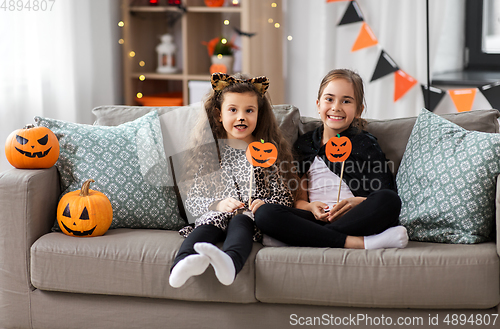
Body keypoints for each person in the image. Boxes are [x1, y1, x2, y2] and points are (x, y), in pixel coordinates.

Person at [254, 69, 408, 249]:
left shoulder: (365, 144)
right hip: (314, 219)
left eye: (346, 101)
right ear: (318, 105)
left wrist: (355, 203)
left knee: (389, 200)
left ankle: (304, 237)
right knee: (265, 213)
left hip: (354, 218)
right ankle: (357, 243)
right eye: (329, 99)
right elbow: (300, 201)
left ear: (359, 110)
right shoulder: (305, 145)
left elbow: (383, 193)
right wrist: (310, 207)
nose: (336, 107)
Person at [169, 72, 297, 288]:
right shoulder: (209, 154)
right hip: (216, 215)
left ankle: (230, 263)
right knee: (209, 222)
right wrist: (217, 204)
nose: (241, 117)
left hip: (250, 219)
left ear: (259, 114)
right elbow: (192, 200)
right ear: (219, 115)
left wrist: (265, 205)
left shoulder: (267, 154)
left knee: (241, 220)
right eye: (233, 110)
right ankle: (183, 263)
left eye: (249, 110)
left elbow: (285, 198)